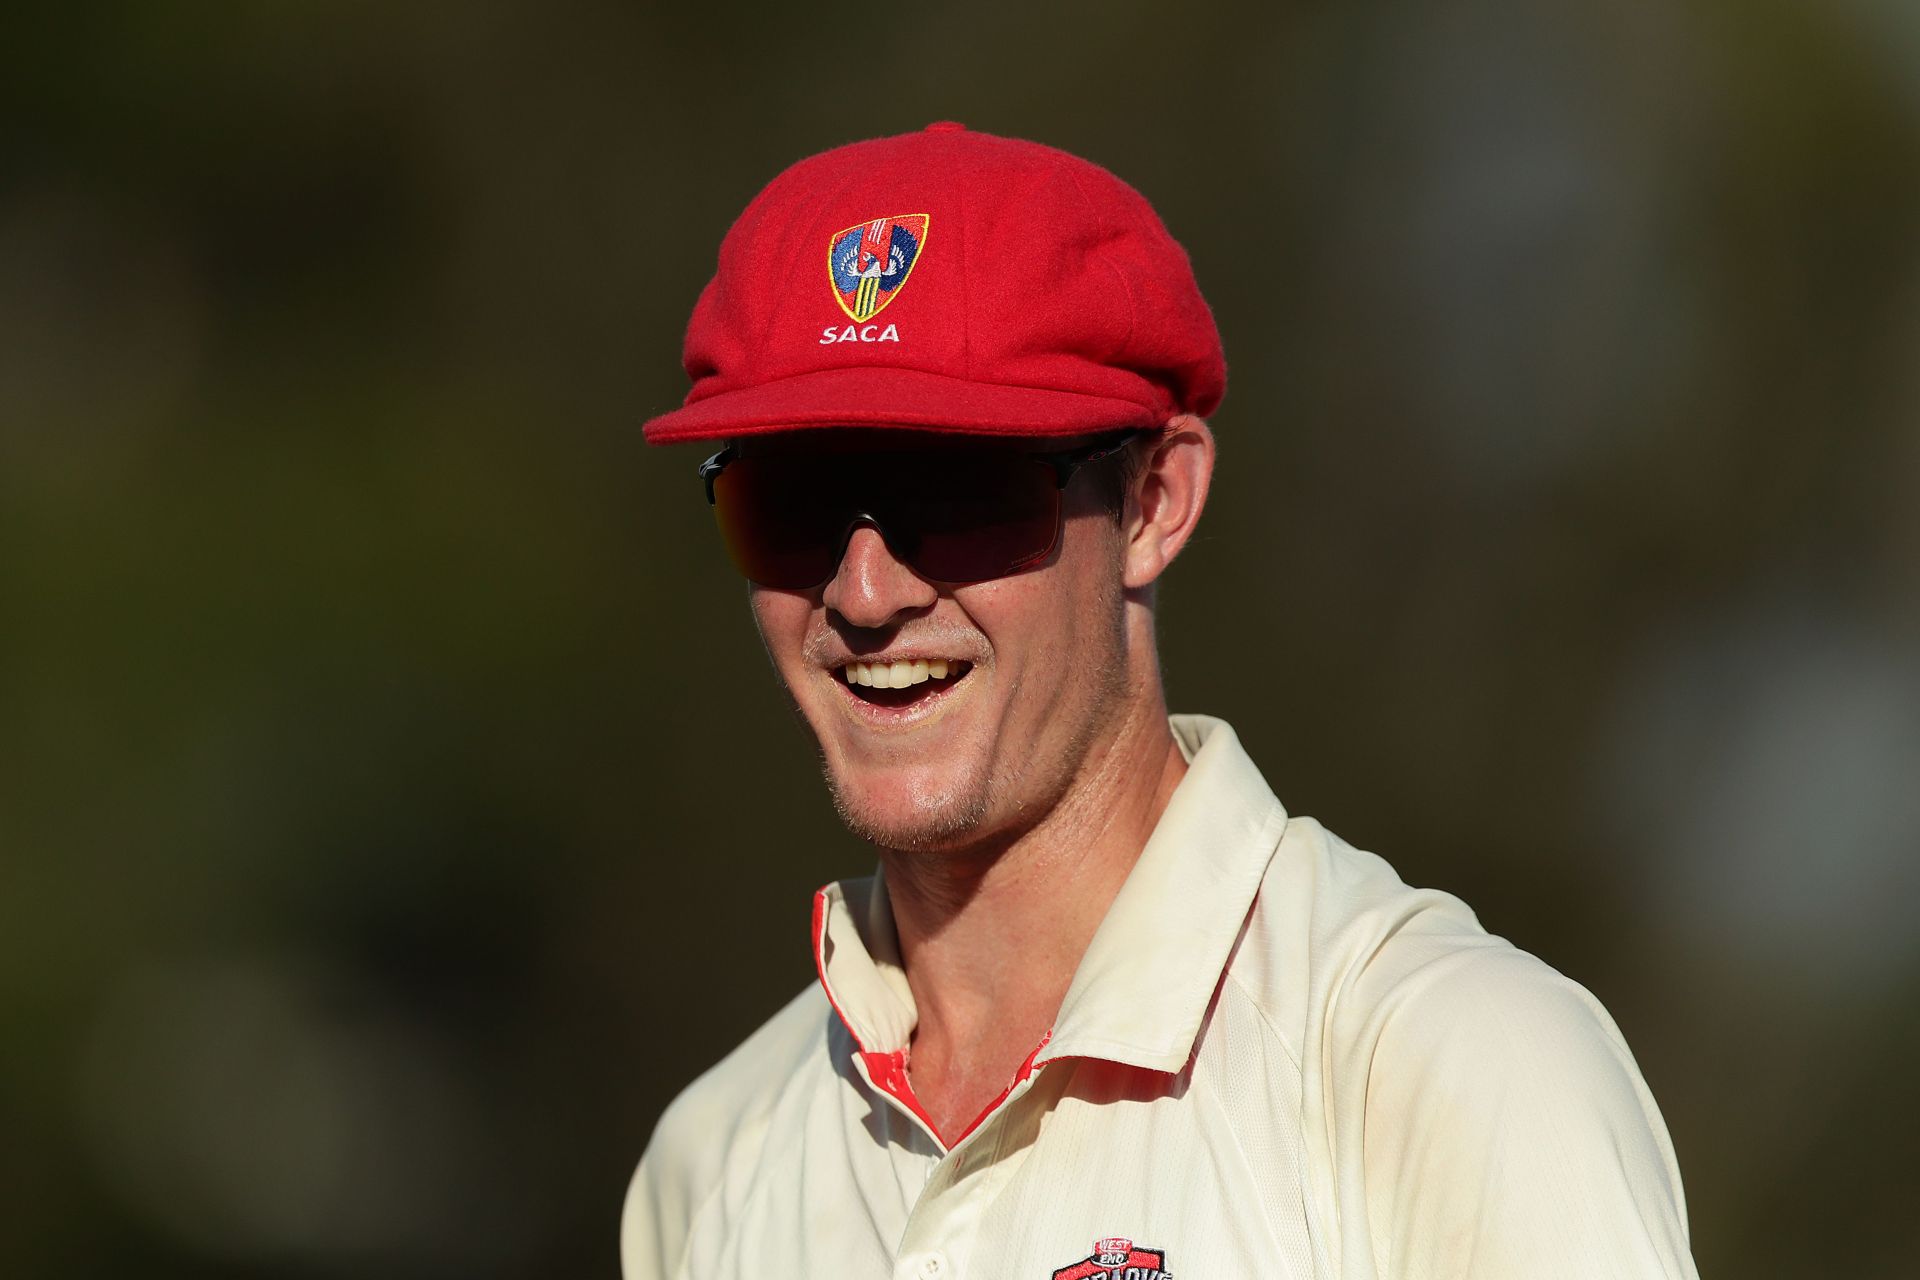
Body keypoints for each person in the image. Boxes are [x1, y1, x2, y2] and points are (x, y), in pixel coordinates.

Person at [622, 124, 1699, 1280]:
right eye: (784, 502)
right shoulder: (712, 1162)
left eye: (959, 489)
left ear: (1153, 501)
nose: (866, 589)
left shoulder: (1444, 1063)